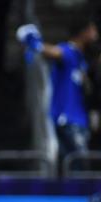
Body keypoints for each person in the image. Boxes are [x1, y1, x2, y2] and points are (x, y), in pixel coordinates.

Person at [17, 21, 99, 168]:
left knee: (76, 165)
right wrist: (34, 42)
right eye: (92, 30)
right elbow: (54, 52)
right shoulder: (68, 50)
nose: (95, 34)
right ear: (83, 32)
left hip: (79, 119)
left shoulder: (82, 58)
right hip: (67, 119)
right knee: (78, 165)